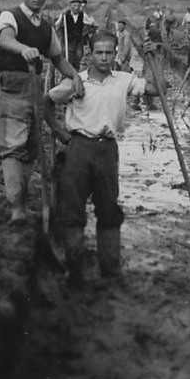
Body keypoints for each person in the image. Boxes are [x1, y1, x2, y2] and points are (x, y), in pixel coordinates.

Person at [44, 30, 159, 287]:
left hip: (107, 149)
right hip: (78, 149)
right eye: (99, 52)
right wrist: (59, 132)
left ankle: (110, 268)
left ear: (116, 52)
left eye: (109, 52)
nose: (104, 58)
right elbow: (46, 102)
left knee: (108, 209)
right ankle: (74, 270)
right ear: (90, 52)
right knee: (73, 210)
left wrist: (154, 58)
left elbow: (157, 90)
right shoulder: (77, 80)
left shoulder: (124, 80)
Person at [0, 0, 84, 224]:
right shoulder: (11, 15)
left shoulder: (44, 27)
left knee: (32, 149)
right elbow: (6, 39)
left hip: (33, 86)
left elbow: (58, 58)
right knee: (13, 147)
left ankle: (22, 201)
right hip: (9, 84)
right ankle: (17, 208)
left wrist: (75, 76)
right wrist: (24, 50)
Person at [54, 0, 97, 72]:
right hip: (68, 39)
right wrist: (61, 19)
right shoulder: (65, 14)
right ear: (71, 6)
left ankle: (76, 70)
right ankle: (68, 71)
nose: (76, 8)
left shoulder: (82, 15)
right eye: (74, 5)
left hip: (78, 40)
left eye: (78, 6)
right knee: (68, 55)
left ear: (80, 6)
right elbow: (57, 26)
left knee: (79, 55)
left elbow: (91, 22)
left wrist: (87, 27)